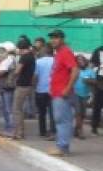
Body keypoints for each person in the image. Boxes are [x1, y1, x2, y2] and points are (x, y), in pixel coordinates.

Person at [47, 29, 78, 157]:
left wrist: (67, 88)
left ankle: (63, 147)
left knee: (62, 120)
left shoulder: (65, 52)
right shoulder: (59, 53)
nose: (53, 40)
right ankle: (62, 146)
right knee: (61, 119)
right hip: (57, 92)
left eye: (56, 37)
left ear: (62, 39)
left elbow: (75, 71)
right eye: (52, 37)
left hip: (62, 93)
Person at [10, 38, 36, 140]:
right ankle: (18, 132)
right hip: (28, 85)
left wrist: (12, 76)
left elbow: (17, 71)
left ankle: (18, 133)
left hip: (22, 85)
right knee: (19, 109)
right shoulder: (32, 56)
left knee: (16, 110)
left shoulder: (24, 57)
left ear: (21, 48)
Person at [35, 45, 55, 138]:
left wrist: (34, 85)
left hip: (40, 89)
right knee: (52, 112)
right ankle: (52, 131)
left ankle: (42, 131)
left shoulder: (38, 62)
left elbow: (35, 76)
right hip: (53, 90)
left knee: (41, 112)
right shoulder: (56, 61)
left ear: (44, 52)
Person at [0, 42, 17, 133]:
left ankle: (10, 129)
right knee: (5, 108)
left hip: (7, 86)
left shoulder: (9, 59)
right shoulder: (8, 59)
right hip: (5, 85)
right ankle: (8, 127)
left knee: (8, 109)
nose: (1, 51)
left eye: (3, 50)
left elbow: (2, 72)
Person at [74, 54, 93, 139]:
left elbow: (94, 82)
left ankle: (76, 129)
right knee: (78, 112)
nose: (80, 61)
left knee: (83, 114)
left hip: (85, 94)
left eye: (82, 59)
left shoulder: (90, 71)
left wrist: (88, 80)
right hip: (75, 94)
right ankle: (80, 131)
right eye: (78, 60)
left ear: (85, 61)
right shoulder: (74, 70)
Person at [91, 45, 103, 135]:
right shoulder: (98, 50)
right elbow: (92, 65)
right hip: (100, 82)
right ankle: (94, 127)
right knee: (97, 105)